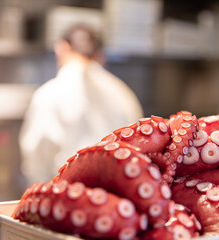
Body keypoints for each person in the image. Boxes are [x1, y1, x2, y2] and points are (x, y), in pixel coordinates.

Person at [19, 25, 144, 186]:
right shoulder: (124, 94)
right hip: (117, 198)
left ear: (61, 48)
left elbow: (35, 154)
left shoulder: (48, 94)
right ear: (101, 56)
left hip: (61, 196)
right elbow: (138, 149)